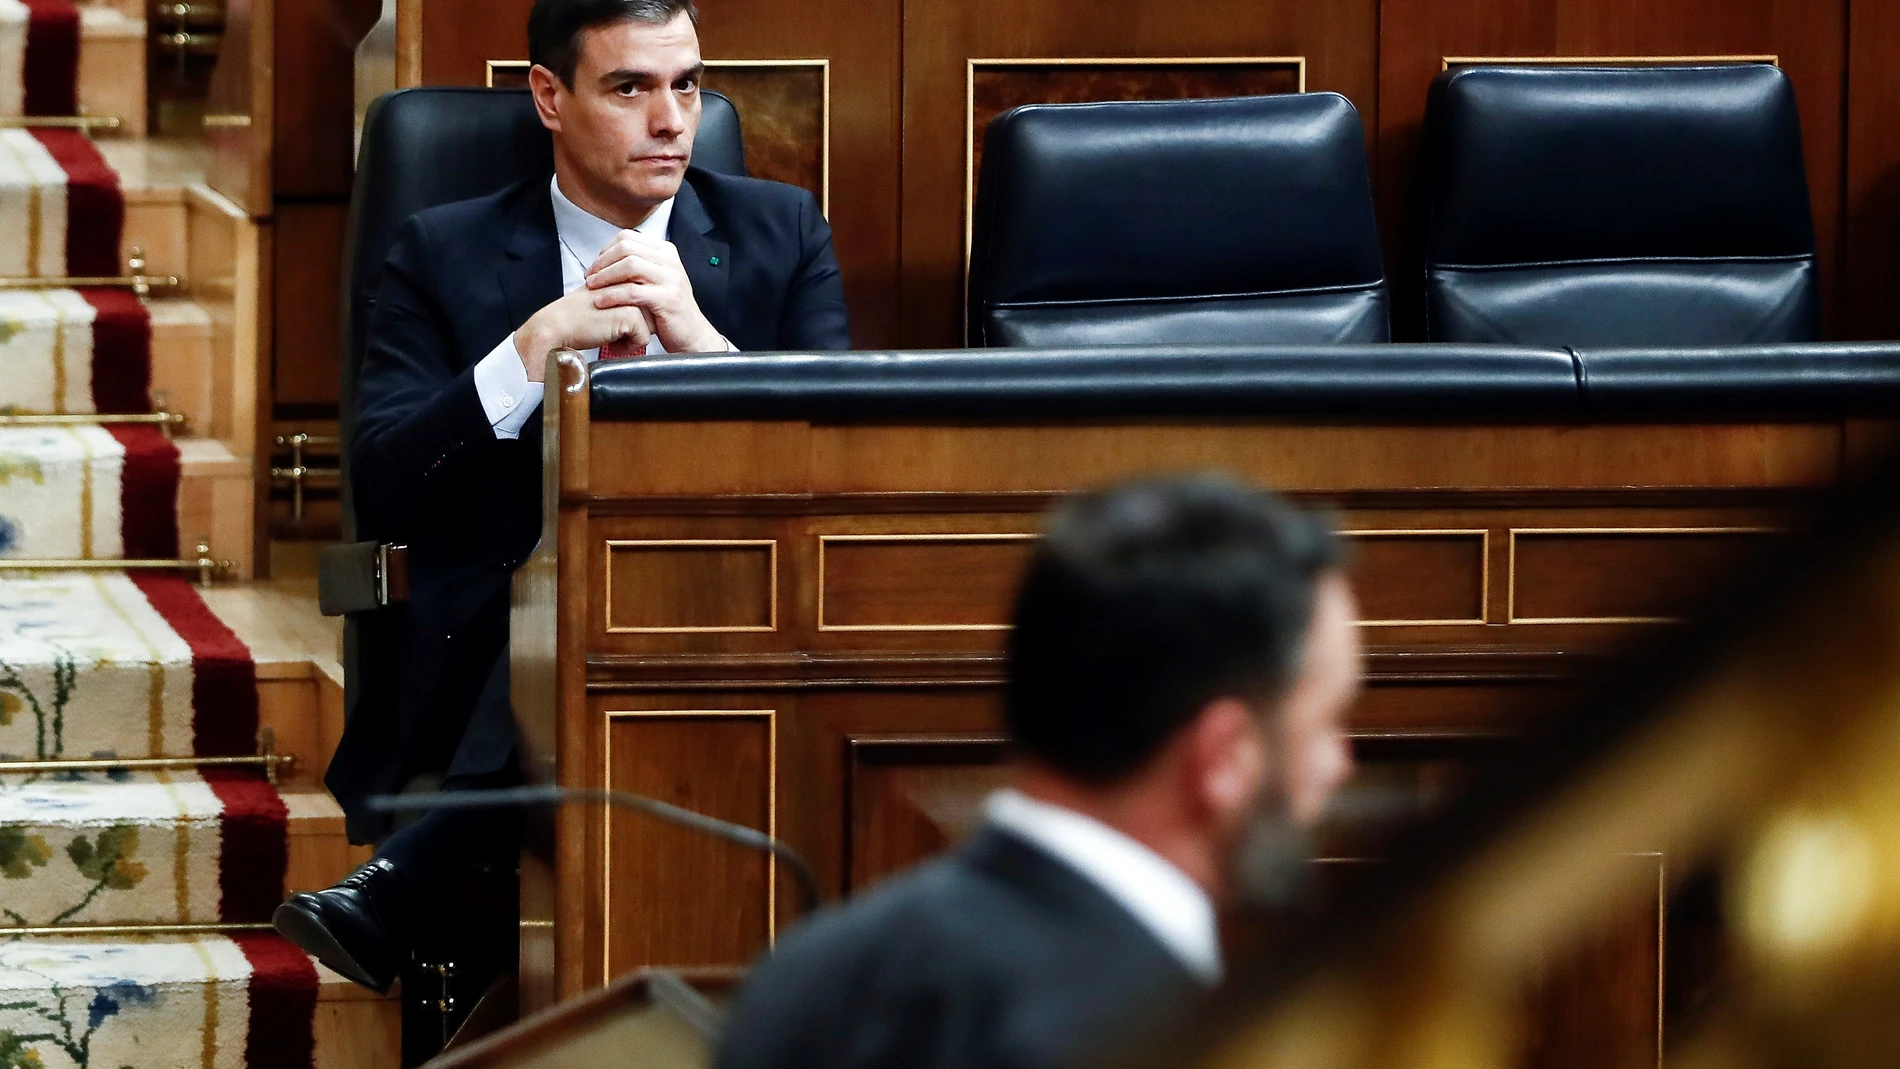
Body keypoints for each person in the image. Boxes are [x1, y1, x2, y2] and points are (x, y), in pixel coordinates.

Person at [274, 0, 850, 993]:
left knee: (625, 594)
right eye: (630, 87)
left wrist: (702, 347)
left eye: (686, 85)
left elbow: (841, 465)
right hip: (486, 650)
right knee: (570, 595)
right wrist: (527, 351)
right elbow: (384, 483)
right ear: (549, 95)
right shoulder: (442, 249)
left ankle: (407, 885)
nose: (669, 120)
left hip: (738, 630)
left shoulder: (779, 231)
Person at [715, 473, 1362, 1069]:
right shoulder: (1193, 1039)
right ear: (1222, 755)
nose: (1342, 764)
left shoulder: (800, 979)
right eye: (1328, 721)